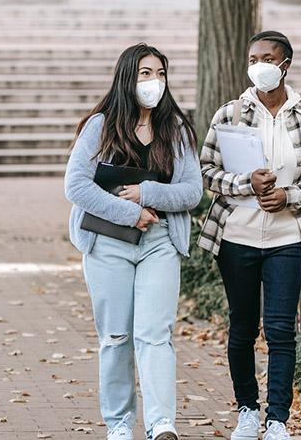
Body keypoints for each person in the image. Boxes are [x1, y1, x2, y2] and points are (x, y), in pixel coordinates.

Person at [198, 31, 301, 440]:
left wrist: (289, 195)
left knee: (280, 330)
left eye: (267, 58)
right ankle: (247, 411)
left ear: (285, 65)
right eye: (253, 58)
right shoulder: (229, 114)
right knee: (242, 327)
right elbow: (206, 173)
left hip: (286, 238)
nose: (259, 66)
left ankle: (277, 419)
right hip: (235, 236)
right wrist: (246, 184)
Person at [65, 43, 203, 440]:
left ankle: (161, 423)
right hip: (108, 243)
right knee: (117, 336)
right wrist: (129, 213)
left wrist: (146, 194)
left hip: (160, 242)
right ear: (128, 77)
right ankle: (120, 423)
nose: (154, 82)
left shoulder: (175, 129)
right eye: (145, 73)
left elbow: (192, 191)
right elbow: (75, 186)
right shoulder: (101, 126)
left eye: (160, 74)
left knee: (155, 334)